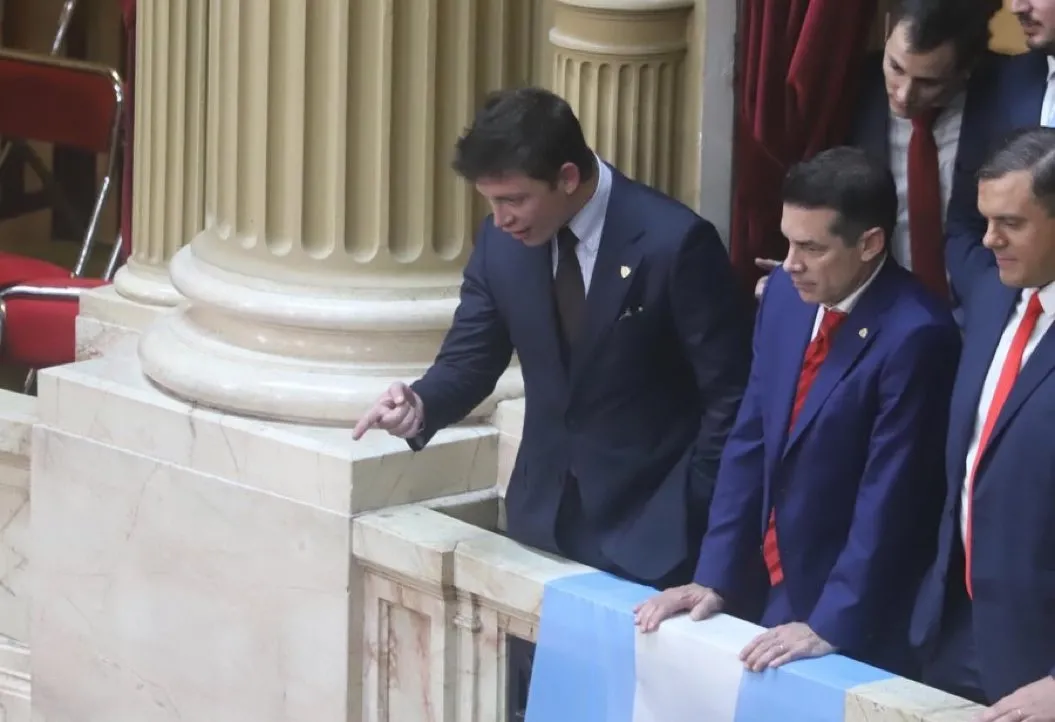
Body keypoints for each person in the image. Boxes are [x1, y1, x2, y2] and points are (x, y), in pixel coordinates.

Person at [352, 87, 752, 587]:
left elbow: (730, 397)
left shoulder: (676, 242)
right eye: (491, 202)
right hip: (541, 525)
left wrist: (694, 505)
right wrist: (420, 405)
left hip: (656, 540)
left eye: (514, 200)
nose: (501, 219)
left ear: (567, 177)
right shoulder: (502, 244)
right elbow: (471, 358)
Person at [634, 147, 960, 678]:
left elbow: (890, 494)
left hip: (850, 608)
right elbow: (750, 439)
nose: (790, 263)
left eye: (811, 247)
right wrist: (714, 574)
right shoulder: (786, 296)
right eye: (788, 240)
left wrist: (832, 621)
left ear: (870, 244)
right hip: (764, 582)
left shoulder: (917, 334)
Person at [912, 128, 1055, 719]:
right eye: (985, 221)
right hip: (950, 633)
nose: (989, 241)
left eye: (1011, 224)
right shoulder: (995, 292)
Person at [755, 0, 1002, 301]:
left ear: (966, 70)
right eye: (895, 67)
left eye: (928, 83)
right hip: (882, 313)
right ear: (887, 33)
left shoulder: (1006, 98)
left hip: (980, 307)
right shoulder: (850, 93)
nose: (903, 94)